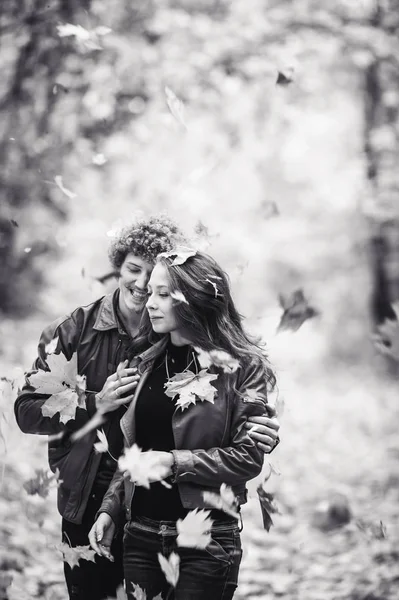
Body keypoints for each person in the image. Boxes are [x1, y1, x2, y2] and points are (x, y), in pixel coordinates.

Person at [14, 217, 280, 600]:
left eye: (157, 283)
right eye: (133, 271)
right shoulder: (74, 330)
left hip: (165, 508)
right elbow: (27, 410)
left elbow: (231, 422)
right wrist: (94, 404)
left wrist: (257, 428)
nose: (142, 287)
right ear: (118, 268)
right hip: (91, 498)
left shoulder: (174, 344)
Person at [89, 249, 278, 600]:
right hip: (140, 537)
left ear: (192, 298)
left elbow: (248, 459)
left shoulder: (245, 368)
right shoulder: (143, 362)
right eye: (151, 293)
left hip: (205, 539)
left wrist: (174, 462)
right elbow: (134, 452)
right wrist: (111, 510)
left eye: (163, 294)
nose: (150, 303)